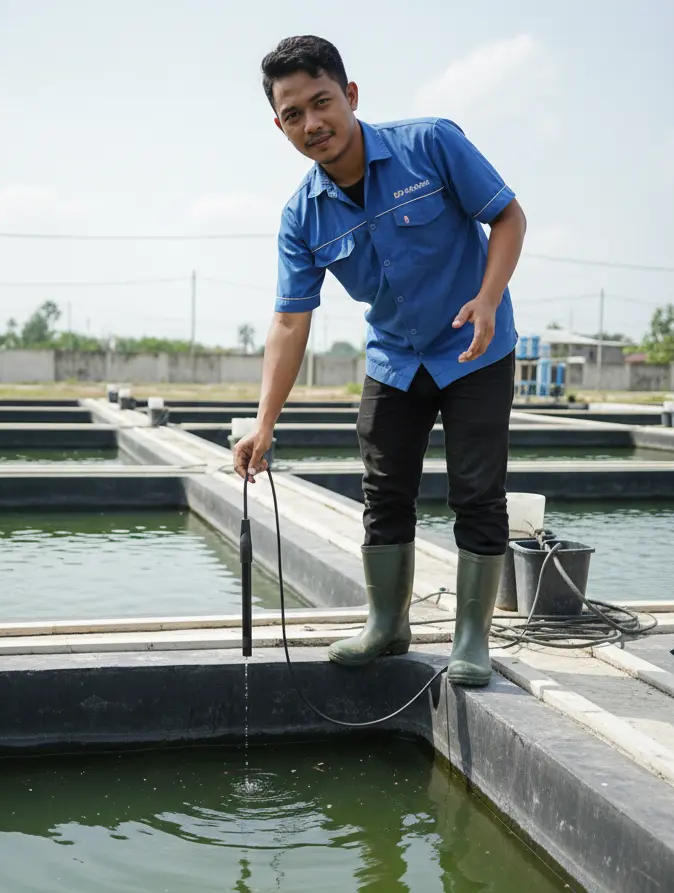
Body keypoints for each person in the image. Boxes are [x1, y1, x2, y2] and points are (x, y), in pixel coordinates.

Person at [232, 35, 527, 687]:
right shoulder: (302, 216)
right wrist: (263, 423)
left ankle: (472, 638)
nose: (312, 123)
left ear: (350, 95)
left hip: (476, 347)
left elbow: (508, 217)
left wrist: (488, 297)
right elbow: (289, 320)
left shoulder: (431, 144)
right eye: (293, 114)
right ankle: (387, 624)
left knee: (477, 491)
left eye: (322, 102)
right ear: (279, 126)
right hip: (395, 359)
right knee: (384, 493)